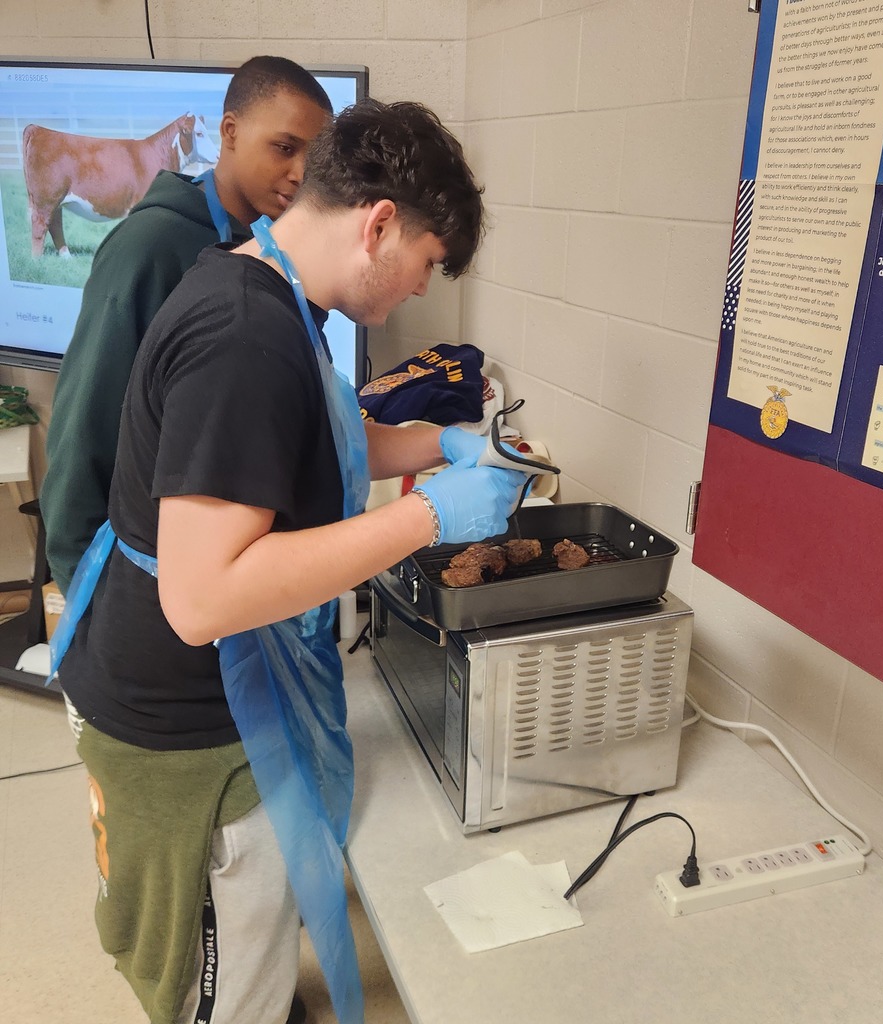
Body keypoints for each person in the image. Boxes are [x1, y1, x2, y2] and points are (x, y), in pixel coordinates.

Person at [50, 98, 525, 1024]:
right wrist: (429, 518)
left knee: (257, 962)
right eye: (426, 263)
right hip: (188, 731)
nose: (422, 291)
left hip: (193, 689)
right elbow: (203, 596)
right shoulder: (245, 335)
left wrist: (442, 443)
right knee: (223, 988)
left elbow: (316, 437)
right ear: (380, 223)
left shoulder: (265, 283)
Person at [41, 55, 334, 596]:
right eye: (285, 148)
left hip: (234, 574)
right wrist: (84, 589)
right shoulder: (148, 249)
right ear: (229, 132)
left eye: (314, 159)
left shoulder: (283, 254)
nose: (300, 174)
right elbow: (85, 425)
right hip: (144, 582)